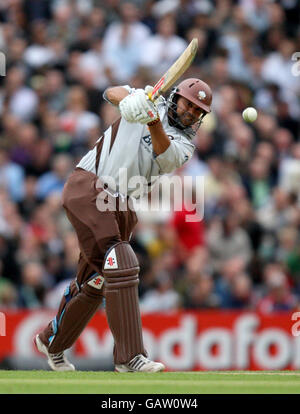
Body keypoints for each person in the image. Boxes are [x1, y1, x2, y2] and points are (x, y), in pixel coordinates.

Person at [34, 77, 212, 372]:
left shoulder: (185, 144)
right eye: (189, 105)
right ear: (176, 97)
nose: (192, 114)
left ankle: (52, 340)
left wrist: (152, 120)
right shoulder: (148, 99)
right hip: (90, 185)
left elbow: (165, 157)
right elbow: (109, 93)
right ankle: (130, 357)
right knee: (122, 261)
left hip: (123, 205)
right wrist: (131, 101)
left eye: (198, 112)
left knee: (95, 282)